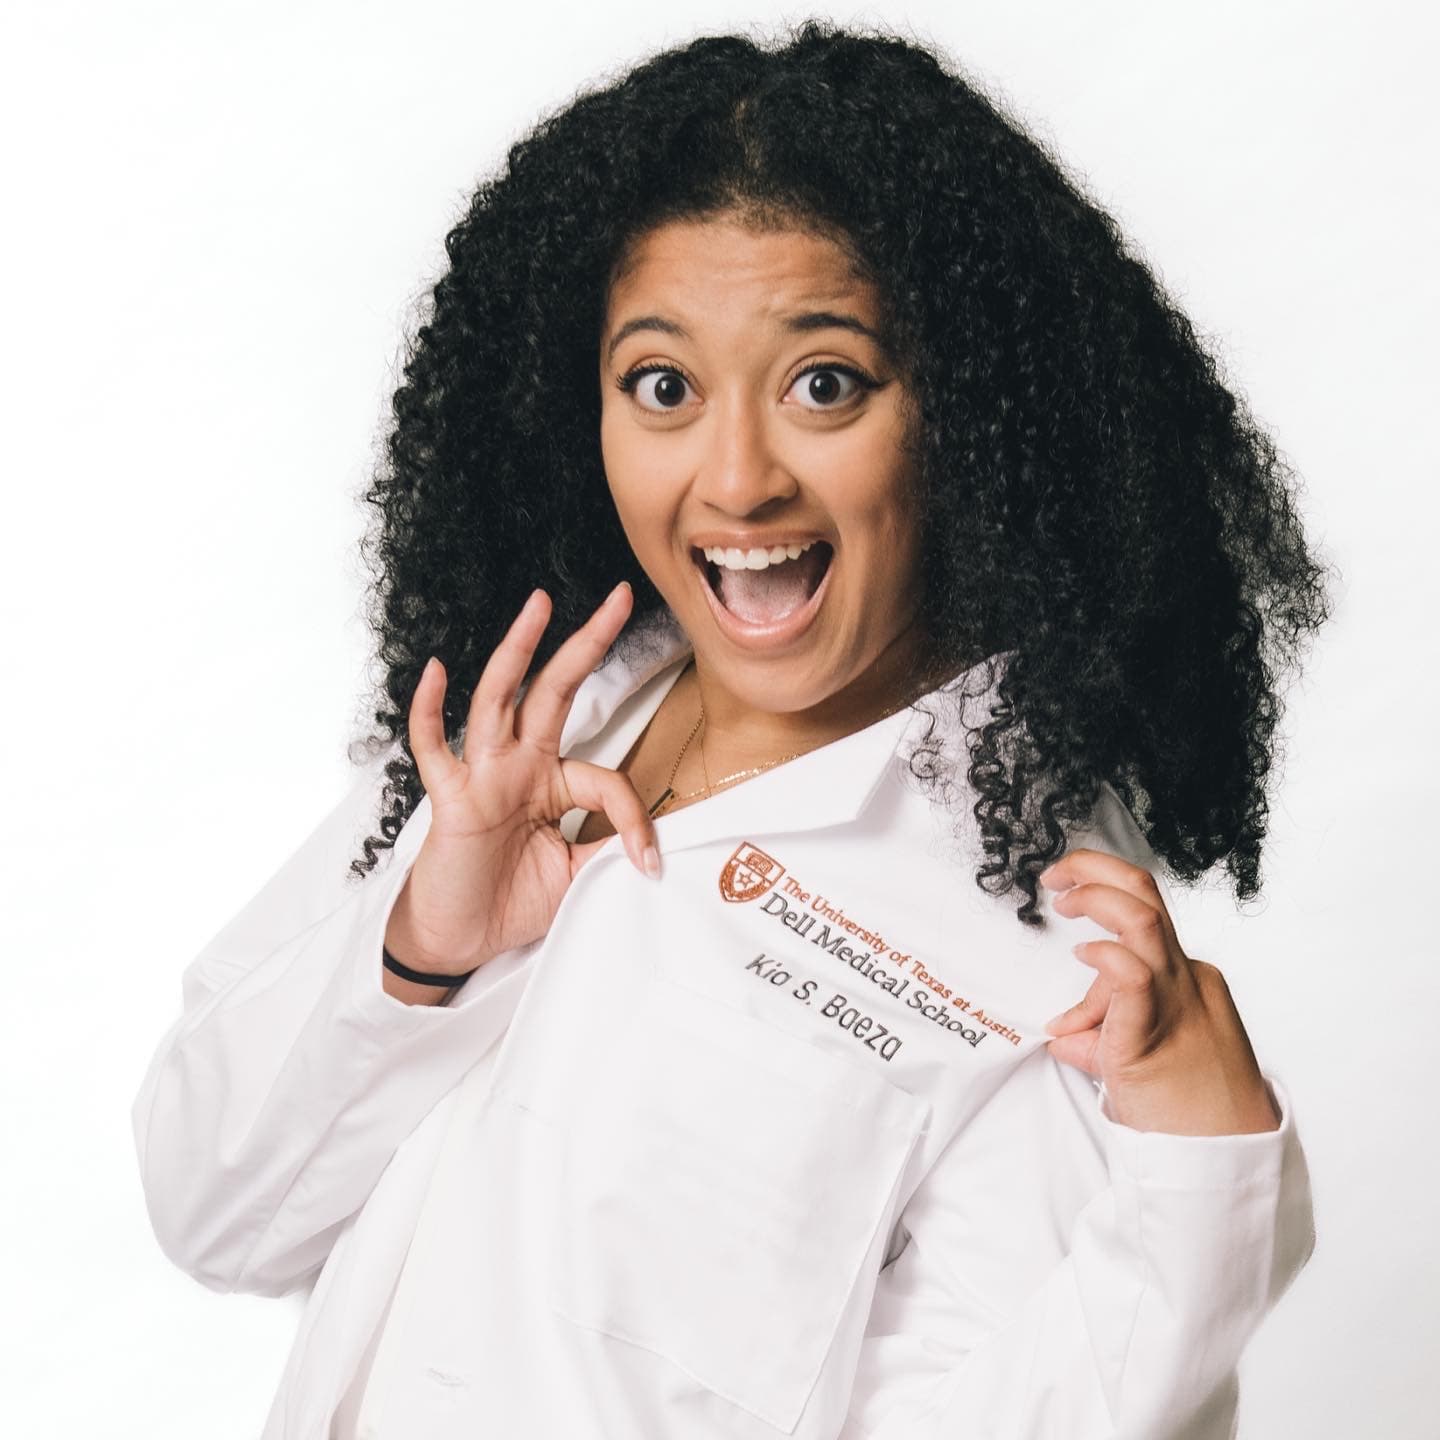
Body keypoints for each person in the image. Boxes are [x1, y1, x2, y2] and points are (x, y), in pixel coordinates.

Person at [131, 21, 1331, 1440]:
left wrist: (1196, 1192)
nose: (738, 477)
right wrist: (423, 954)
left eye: (825, 382)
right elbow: (216, 1213)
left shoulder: (1040, 937)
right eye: (663, 386)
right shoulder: (538, 728)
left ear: (972, 415)